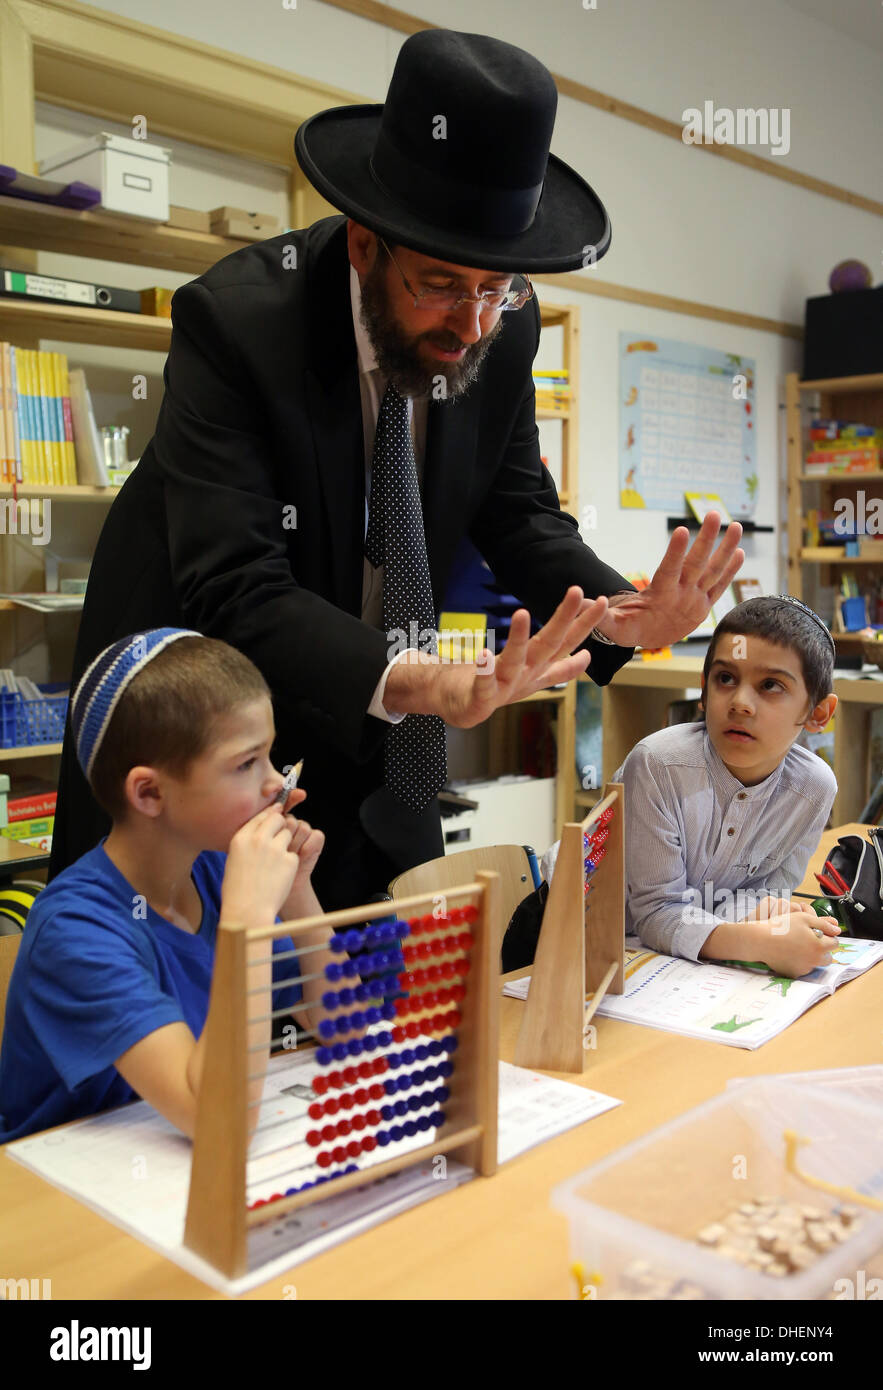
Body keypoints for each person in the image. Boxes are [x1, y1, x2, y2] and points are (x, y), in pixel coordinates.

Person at [48, 28, 743, 910]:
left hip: (375, 731)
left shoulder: (501, 327)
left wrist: (630, 619)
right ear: (364, 246)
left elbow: (519, 512)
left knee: (358, 982)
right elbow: (239, 588)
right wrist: (425, 680)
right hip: (196, 731)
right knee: (186, 1001)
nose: (472, 325)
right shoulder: (239, 325)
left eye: (498, 289)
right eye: (441, 285)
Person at [0, 629, 331, 1144]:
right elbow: (219, 1122)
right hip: (57, 1196)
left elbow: (342, 1026)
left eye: (271, 756)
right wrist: (248, 918)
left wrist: (297, 896)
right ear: (149, 792)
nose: (275, 784)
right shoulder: (75, 928)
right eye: (246, 764)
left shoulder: (217, 871)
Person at [505, 597, 840, 978]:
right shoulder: (658, 763)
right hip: (562, 932)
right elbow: (657, 914)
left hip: (657, 957)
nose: (741, 703)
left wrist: (768, 921)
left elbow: (764, 893)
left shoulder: (813, 788)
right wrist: (760, 942)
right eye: (725, 678)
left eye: (770, 685)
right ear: (703, 689)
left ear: (818, 713)